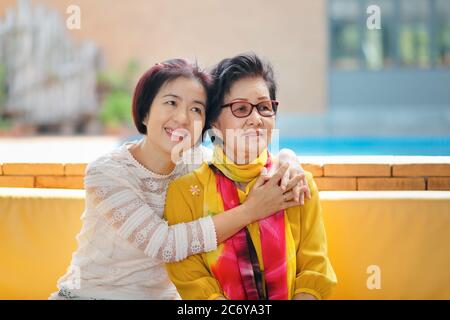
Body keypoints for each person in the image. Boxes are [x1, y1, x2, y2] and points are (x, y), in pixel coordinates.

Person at [50, 58, 310, 300]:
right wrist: (250, 211)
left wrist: (288, 159)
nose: (183, 118)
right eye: (171, 103)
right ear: (144, 113)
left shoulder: (197, 162)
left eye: (196, 109)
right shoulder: (107, 173)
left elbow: (247, 160)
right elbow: (164, 244)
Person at [164, 54, 337, 300]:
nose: (256, 119)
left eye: (264, 107)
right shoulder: (185, 192)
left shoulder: (295, 183)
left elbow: (314, 270)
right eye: (241, 108)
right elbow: (192, 280)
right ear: (214, 121)